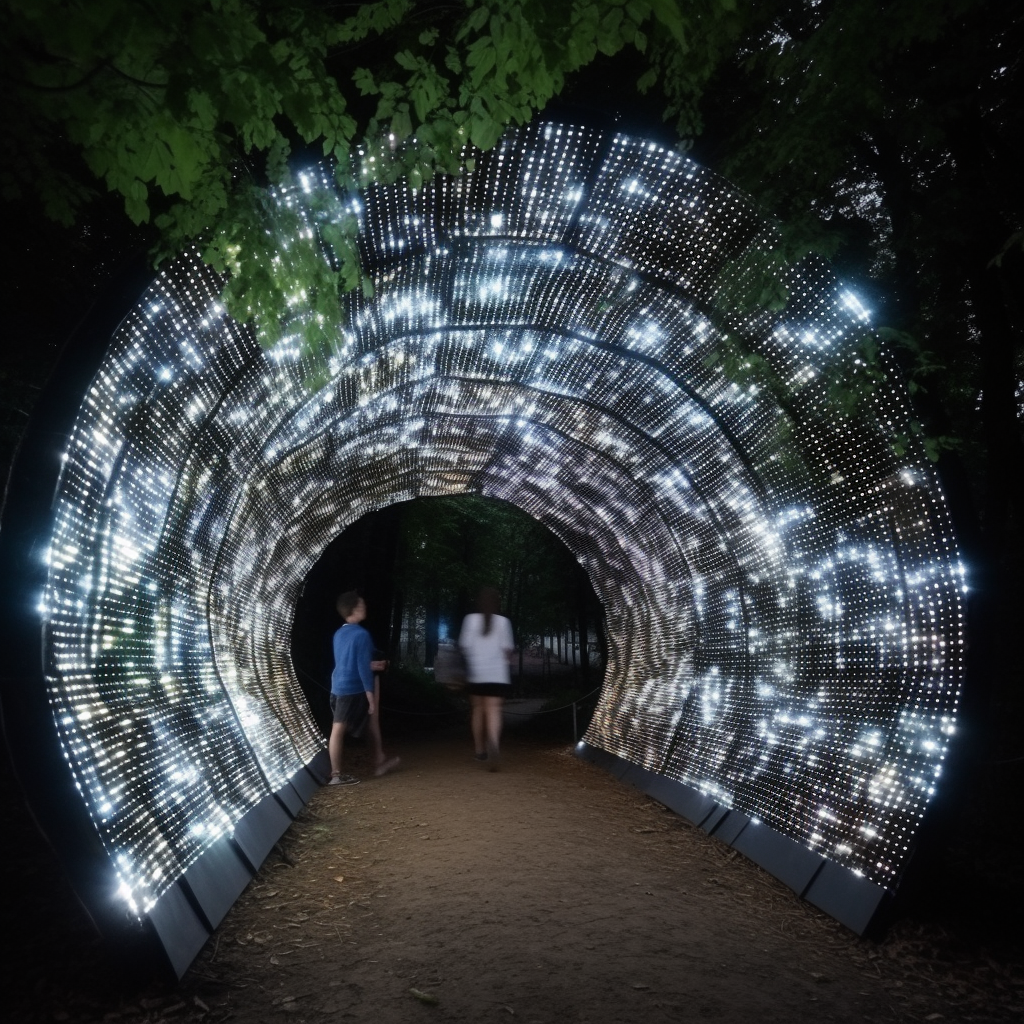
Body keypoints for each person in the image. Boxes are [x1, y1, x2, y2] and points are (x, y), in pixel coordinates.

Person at [328, 591, 399, 785]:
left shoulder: (339, 634)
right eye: (362, 605)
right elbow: (360, 666)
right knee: (345, 728)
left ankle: (377, 762)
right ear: (356, 609)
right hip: (354, 689)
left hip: (338, 687)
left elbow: (348, 661)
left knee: (343, 728)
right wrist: (369, 694)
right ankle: (337, 775)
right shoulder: (362, 634)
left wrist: (371, 665)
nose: (365, 607)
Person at [459, 587, 515, 770]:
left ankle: (480, 750)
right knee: (494, 711)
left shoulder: (470, 620)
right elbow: (508, 652)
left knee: (477, 710)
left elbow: (464, 647)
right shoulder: (504, 622)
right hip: (498, 676)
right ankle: (494, 745)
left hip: (477, 674)